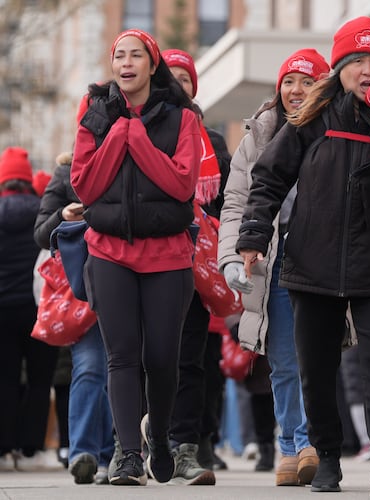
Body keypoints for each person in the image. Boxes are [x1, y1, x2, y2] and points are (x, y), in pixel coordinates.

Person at [234, 16, 370, 497]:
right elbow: (269, 178)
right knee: (317, 366)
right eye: (360, 61)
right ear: (342, 68)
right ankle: (326, 458)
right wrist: (251, 235)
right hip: (313, 262)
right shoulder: (314, 118)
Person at [71, 29, 201, 486]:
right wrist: (118, 135)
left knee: (163, 358)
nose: (125, 63)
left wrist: (138, 140)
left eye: (135, 56)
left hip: (167, 254)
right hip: (109, 251)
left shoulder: (182, 117)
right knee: (120, 357)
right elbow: (85, 186)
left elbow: (182, 185)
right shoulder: (94, 113)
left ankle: (159, 438)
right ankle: (127, 454)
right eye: (118, 56)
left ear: (151, 64)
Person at [218, 47, 330, 486]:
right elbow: (236, 203)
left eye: (306, 81)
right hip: (276, 259)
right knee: (283, 357)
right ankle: (293, 445)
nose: (296, 91)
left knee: (317, 359)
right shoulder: (259, 134)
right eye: (288, 81)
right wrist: (231, 256)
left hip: (324, 259)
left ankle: (317, 441)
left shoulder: (337, 130)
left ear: (323, 86)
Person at [158, 48, 230, 486]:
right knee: (148, 355)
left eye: (186, 79)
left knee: (192, 359)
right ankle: (143, 441)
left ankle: (187, 444)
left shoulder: (212, 141)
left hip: (194, 260)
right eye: (172, 76)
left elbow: (223, 202)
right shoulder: (141, 126)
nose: (178, 85)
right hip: (147, 257)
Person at [33, 151, 114, 484]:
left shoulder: (132, 156)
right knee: (91, 366)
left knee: (118, 369)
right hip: (83, 286)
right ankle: (84, 452)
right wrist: (63, 217)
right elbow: (41, 232)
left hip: (127, 274)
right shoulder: (66, 171)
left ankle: (115, 454)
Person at [0, 146, 61, 472]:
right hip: (40, 308)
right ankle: (30, 448)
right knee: (40, 380)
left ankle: (4, 445)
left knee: (6, 379)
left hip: (2, 310)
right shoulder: (43, 211)